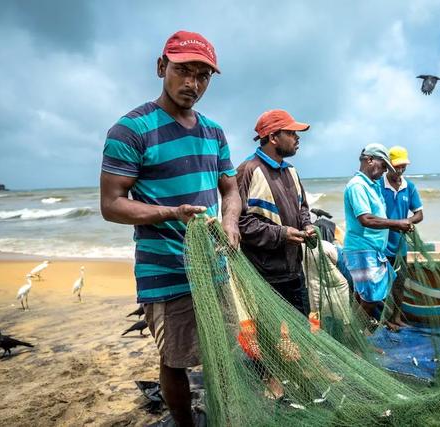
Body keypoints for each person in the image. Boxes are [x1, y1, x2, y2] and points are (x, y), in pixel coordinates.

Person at [100, 30, 241, 427]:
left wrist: (230, 222)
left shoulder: (213, 132)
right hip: (163, 269)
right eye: (183, 71)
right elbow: (112, 205)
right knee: (174, 359)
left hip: (214, 264)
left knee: (223, 351)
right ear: (162, 67)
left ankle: (226, 414)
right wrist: (170, 212)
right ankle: (183, 423)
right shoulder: (130, 130)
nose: (192, 84)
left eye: (203, 75)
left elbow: (230, 189)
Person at [236, 109, 314, 316]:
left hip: (295, 270)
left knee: (302, 331)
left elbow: (302, 208)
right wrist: (282, 234)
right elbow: (241, 223)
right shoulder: (248, 170)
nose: (297, 138)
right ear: (273, 138)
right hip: (265, 276)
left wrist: (307, 225)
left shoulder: (291, 171)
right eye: (291, 133)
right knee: (271, 339)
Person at [342, 143, 413, 327]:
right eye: (383, 166)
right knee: (371, 299)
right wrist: (397, 223)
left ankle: (359, 339)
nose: (384, 172)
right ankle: (355, 342)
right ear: (370, 160)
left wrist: (396, 228)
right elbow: (365, 219)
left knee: (363, 297)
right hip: (362, 249)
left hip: (372, 250)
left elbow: (378, 217)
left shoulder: (371, 185)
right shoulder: (357, 186)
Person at [380, 146, 423, 330]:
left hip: (400, 246)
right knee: (380, 284)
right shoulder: (379, 186)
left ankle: (395, 317)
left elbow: (419, 214)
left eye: (403, 166)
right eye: (397, 166)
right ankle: (379, 319)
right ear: (388, 165)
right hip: (380, 245)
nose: (400, 170)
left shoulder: (409, 187)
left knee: (399, 283)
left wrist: (408, 220)